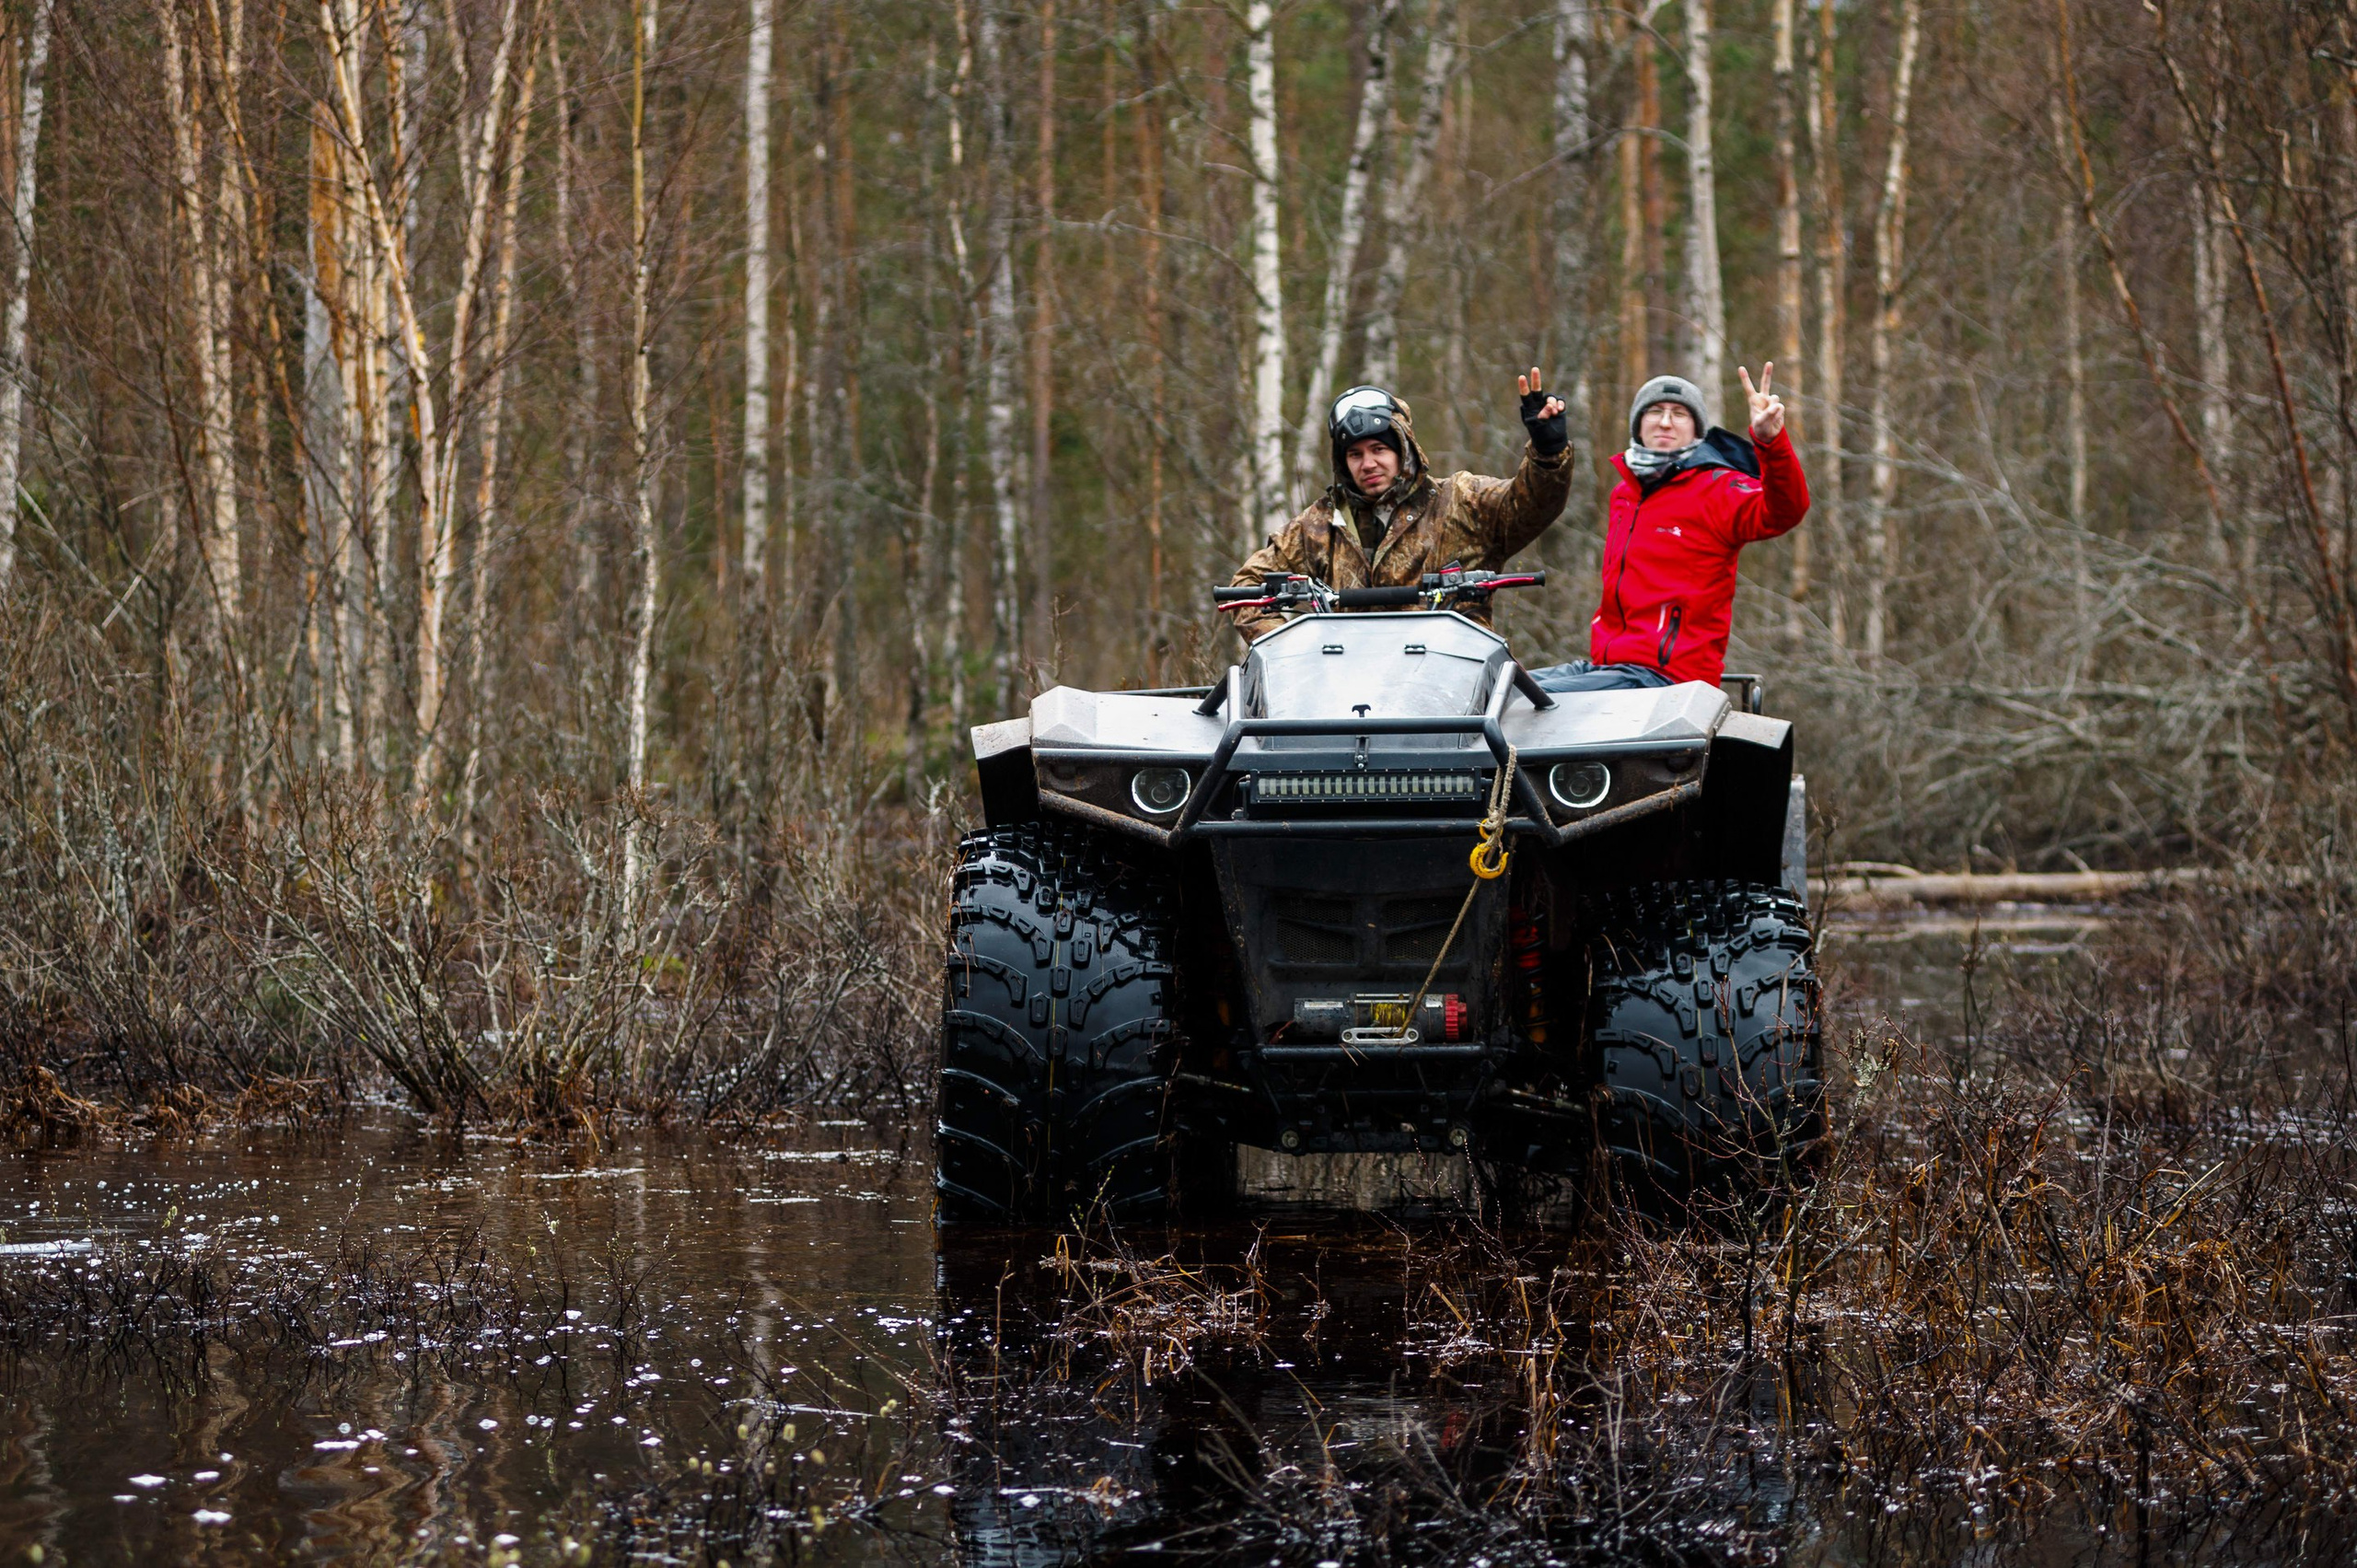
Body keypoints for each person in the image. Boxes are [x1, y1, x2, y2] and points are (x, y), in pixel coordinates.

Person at [1225, 370, 1574, 641]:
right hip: (1345, 696)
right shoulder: (1319, 526)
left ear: (1403, 449)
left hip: (1457, 694)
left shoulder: (1462, 501)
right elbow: (1246, 588)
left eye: (1379, 449)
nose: (1368, 464)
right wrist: (1292, 652)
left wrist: (1547, 451)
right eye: (1355, 454)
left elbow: (1530, 507)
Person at [1530, 364, 1808, 693]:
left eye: (1679, 414)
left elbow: (1785, 511)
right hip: (1609, 667)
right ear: (1638, 424)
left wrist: (1770, 443)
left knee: (1530, 702)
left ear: (1696, 429)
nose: (1665, 421)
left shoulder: (1719, 487)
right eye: (1655, 411)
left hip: (1670, 680)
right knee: (1497, 686)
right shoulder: (1625, 493)